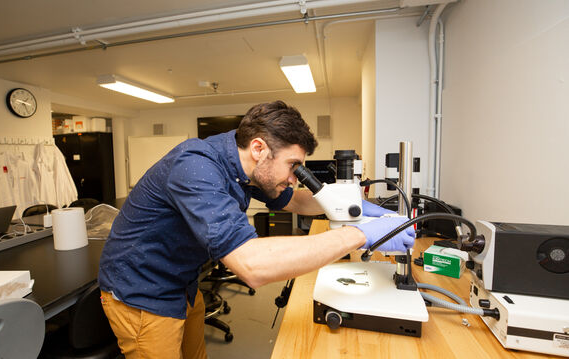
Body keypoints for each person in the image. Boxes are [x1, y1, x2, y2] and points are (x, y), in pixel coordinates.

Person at [98, 100, 415, 359]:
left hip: (180, 283)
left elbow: (298, 202)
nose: (295, 176)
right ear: (260, 148)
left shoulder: (246, 166)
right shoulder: (195, 166)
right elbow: (252, 265)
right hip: (142, 292)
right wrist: (360, 234)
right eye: (293, 166)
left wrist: (353, 202)